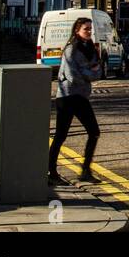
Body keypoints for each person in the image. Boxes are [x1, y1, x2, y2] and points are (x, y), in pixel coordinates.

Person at [48, 17, 102, 185]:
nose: (89, 32)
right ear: (77, 30)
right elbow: (72, 76)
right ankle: (51, 172)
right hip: (67, 97)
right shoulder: (71, 50)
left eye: (90, 29)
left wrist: (88, 73)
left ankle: (85, 171)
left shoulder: (90, 49)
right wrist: (89, 73)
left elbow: (98, 71)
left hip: (81, 96)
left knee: (94, 132)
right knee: (61, 135)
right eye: (86, 29)